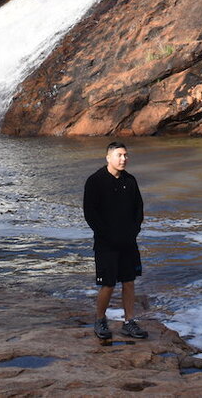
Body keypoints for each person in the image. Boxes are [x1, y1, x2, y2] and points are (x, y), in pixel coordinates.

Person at [83, 141, 148, 340]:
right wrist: (106, 234)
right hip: (106, 243)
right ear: (108, 157)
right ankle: (100, 320)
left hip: (128, 242)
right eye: (119, 155)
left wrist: (133, 231)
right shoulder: (95, 181)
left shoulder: (130, 180)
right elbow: (90, 213)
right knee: (108, 284)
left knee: (129, 282)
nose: (123, 159)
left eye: (126, 155)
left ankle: (129, 322)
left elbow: (139, 209)